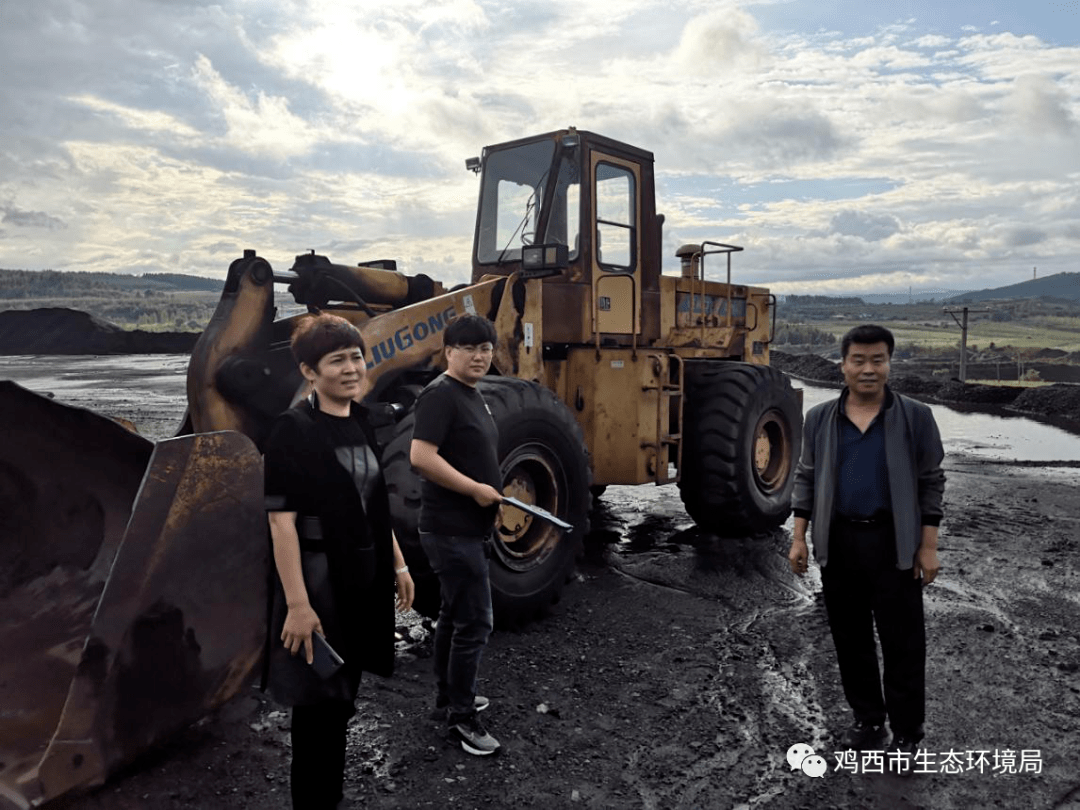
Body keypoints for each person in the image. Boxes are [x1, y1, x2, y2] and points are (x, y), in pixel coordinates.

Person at [264, 313, 415, 808]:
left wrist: (398, 564)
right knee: (318, 710)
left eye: (356, 356)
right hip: (318, 583)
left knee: (343, 701)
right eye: (337, 360)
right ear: (310, 371)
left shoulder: (364, 420)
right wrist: (297, 606)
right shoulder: (293, 431)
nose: (352, 368)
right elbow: (280, 522)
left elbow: (371, 506)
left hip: (362, 580)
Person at [788, 324, 945, 776]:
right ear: (843, 364)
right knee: (850, 638)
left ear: (890, 364)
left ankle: (908, 732)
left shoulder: (915, 416)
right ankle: (868, 720)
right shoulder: (820, 418)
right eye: (859, 360)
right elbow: (806, 477)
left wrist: (927, 547)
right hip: (838, 542)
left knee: (903, 642)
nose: (868, 369)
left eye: (878, 360)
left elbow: (930, 482)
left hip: (892, 542)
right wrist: (799, 537)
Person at [410, 314, 503, 756]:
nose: (481, 355)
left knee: (453, 613)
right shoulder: (440, 396)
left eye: (486, 348)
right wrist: (475, 490)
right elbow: (421, 458)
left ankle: (449, 698)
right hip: (450, 530)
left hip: (468, 527)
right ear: (449, 351)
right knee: (475, 622)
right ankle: (462, 718)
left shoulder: (471, 394)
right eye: (470, 348)